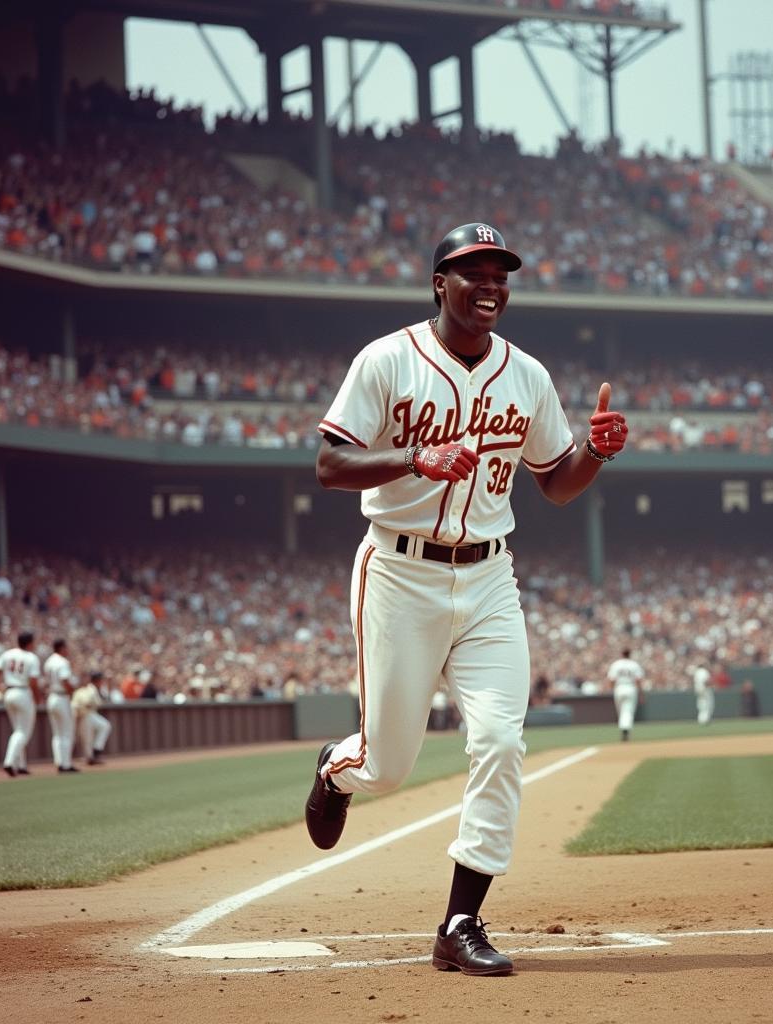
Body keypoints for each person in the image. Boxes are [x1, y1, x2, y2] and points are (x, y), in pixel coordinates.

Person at [305, 221, 628, 977]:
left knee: (502, 741)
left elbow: (555, 481)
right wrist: (415, 457)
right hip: (400, 573)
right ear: (439, 284)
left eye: (500, 273)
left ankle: (461, 920)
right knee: (387, 766)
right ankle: (335, 768)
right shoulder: (387, 359)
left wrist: (597, 454)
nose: (490, 284)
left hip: (489, 579)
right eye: (473, 271)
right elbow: (328, 462)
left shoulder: (529, 376)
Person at [0, 631, 41, 777]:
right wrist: (37, 698)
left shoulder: (8, 653)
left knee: (18, 730)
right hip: (23, 692)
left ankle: (21, 765)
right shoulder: (31, 657)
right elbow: (33, 682)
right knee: (22, 732)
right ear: (30, 643)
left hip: (9, 692)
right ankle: (9, 762)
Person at [43, 639, 79, 773]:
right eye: (66, 647)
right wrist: (72, 691)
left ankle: (59, 762)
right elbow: (65, 681)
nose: (67, 650)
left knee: (57, 733)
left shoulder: (49, 661)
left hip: (52, 696)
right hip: (62, 697)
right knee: (66, 732)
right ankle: (66, 764)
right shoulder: (62, 662)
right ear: (62, 648)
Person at [72, 671, 111, 765]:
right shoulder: (90, 689)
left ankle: (95, 752)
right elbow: (84, 703)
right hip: (84, 715)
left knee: (104, 726)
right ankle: (91, 757)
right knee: (87, 738)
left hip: (90, 714)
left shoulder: (95, 689)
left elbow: (103, 699)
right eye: (101, 679)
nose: (102, 681)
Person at [608, 648, 645, 742]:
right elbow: (638, 680)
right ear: (630, 654)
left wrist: (612, 690)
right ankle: (625, 729)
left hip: (619, 688)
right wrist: (641, 693)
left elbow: (612, 680)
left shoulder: (616, 664)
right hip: (630, 688)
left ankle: (624, 728)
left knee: (621, 711)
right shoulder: (634, 664)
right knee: (628, 710)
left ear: (621, 654)